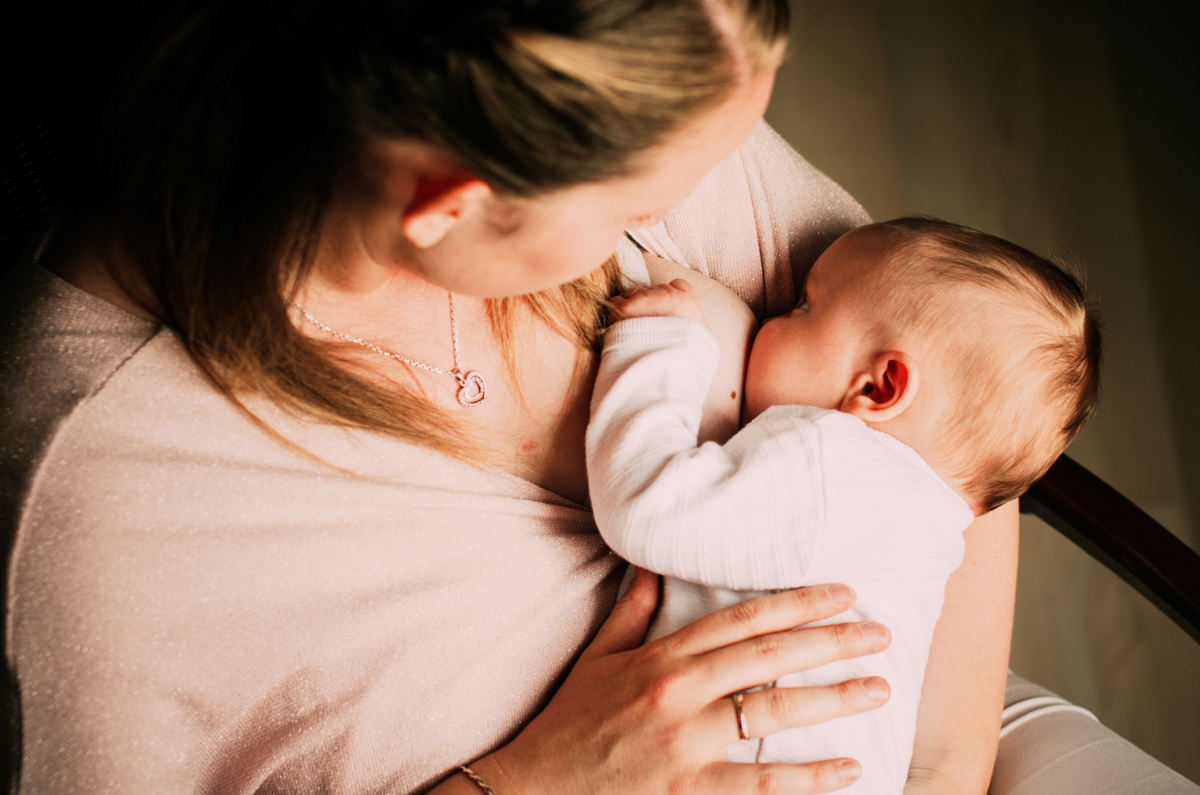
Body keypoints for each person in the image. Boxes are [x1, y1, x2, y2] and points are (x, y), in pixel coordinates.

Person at [2, 0, 1195, 793]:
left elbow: (952, 433)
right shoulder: (101, 531)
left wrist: (932, 779)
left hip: (903, 723)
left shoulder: (643, 76)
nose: (667, 223)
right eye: (637, 199)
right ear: (446, 201)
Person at [586, 217, 1102, 793]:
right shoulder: (933, 524)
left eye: (804, 305)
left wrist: (661, 343)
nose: (777, 311)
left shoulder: (834, 457)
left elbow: (647, 508)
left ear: (878, 387)